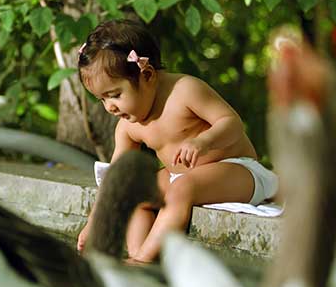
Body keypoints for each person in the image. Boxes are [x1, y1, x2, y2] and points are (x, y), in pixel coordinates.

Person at [76, 19, 278, 262]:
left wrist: (204, 142)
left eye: (115, 95)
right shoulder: (128, 127)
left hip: (238, 170)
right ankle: (138, 255)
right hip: (180, 178)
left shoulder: (184, 91)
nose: (110, 107)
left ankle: (141, 262)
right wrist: (93, 224)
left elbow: (232, 124)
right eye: (102, 99)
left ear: (147, 74)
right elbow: (116, 182)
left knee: (182, 188)